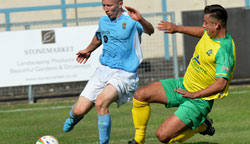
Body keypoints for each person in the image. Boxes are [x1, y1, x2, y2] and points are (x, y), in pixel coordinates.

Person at [128, 4, 236, 144]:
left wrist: (195, 95)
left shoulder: (224, 50)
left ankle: (200, 127)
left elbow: (221, 84)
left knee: (163, 136)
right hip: (183, 85)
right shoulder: (210, 34)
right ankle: (138, 141)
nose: (203, 26)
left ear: (216, 25)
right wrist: (177, 28)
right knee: (140, 95)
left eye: (205, 23)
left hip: (199, 101)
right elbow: (201, 33)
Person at [63, 0, 154, 144]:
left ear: (120, 3)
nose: (106, 9)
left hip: (125, 73)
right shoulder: (103, 21)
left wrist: (141, 19)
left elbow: (151, 31)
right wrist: (88, 50)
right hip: (103, 70)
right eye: (103, 6)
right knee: (79, 110)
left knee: (101, 102)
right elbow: (99, 37)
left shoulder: (131, 19)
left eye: (109, 6)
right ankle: (73, 117)